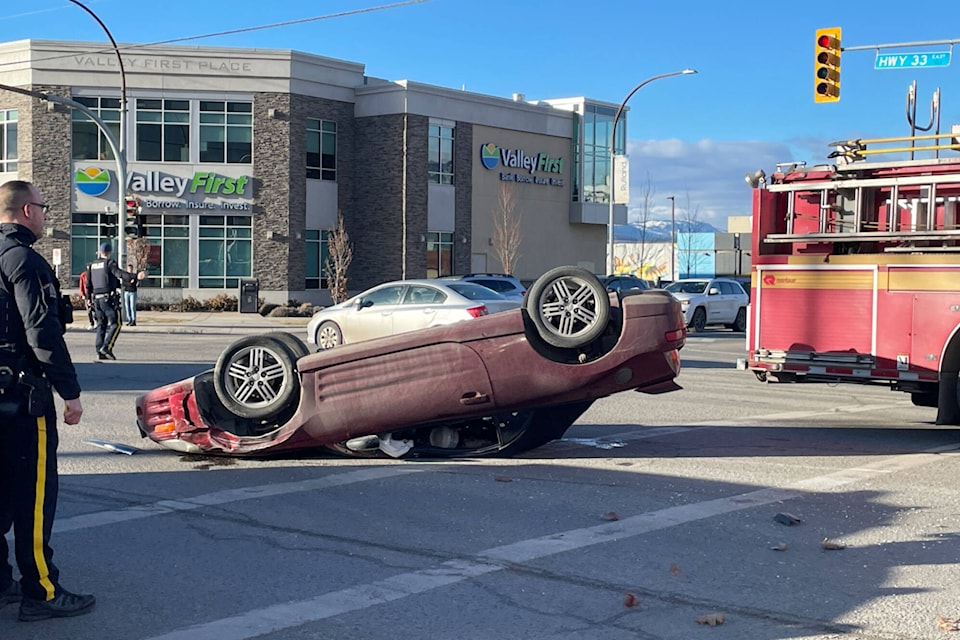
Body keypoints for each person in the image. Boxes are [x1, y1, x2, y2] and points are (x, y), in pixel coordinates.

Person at [0, 179, 95, 621]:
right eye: (43, 205)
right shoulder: (24, 259)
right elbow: (42, 331)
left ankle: (2, 583)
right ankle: (41, 590)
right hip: (22, 398)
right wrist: (70, 392)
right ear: (25, 212)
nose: (44, 213)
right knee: (35, 497)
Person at [86, 242, 144, 360]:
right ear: (110, 252)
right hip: (108, 299)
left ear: (100, 252)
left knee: (101, 325)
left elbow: (88, 284)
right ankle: (107, 347)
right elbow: (120, 274)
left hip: (96, 299)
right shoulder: (109, 263)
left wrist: (88, 298)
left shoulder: (92, 265)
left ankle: (99, 350)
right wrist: (135, 276)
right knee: (116, 324)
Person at [77, 261, 95, 330]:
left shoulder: (95, 274)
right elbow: (81, 285)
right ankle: (91, 323)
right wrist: (82, 294)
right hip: (87, 294)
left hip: (94, 294)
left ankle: (98, 321)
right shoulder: (83, 275)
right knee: (89, 310)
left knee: (96, 309)